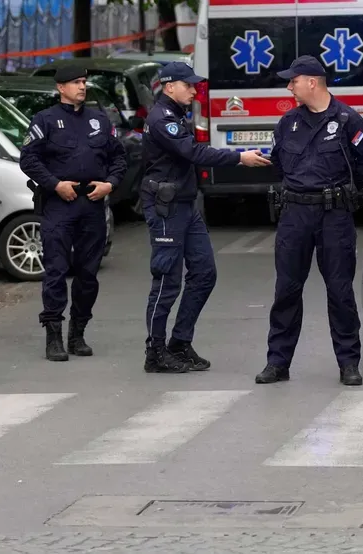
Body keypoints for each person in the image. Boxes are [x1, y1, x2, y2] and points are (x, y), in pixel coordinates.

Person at [256, 56, 363, 386]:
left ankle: (348, 363)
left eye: (292, 81)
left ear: (311, 82)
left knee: (340, 291)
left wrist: (342, 192)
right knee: (286, 290)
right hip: (295, 214)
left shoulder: (347, 120)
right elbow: (279, 165)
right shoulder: (288, 122)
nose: (289, 87)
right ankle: (277, 362)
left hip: (333, 215)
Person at [141, 62, 270, 373]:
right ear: (169, 86)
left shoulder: (176, 115)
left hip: (184, 205)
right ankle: (155, 352)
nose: (194, 90)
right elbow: (194, 153)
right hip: (166, 208)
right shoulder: (162, 119)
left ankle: (179, 343)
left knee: (204, 273)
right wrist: (239, 157)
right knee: (167, 280)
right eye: (188, 85)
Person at [20, 67, 127, 362]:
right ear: (60, 87)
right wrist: (54, 184)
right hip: (59, 204)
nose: (82, 86)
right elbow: (28, 159)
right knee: (55, 271)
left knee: (88, 274)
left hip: (91, 204)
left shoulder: (99, 120)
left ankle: (78, 333)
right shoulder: (45, 120)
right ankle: (53, 334)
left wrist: (110, 184)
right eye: (76, 82)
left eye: (83, 82)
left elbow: (119, 156)